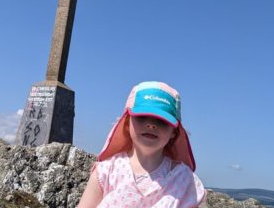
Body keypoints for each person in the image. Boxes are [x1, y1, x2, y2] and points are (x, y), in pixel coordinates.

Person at [78, 81, 206, 208]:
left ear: (174, 131)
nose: (151, 124)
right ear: (127, 123)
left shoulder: (186, 181)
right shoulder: (106, 172)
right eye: (142, 116)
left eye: (162, 120)